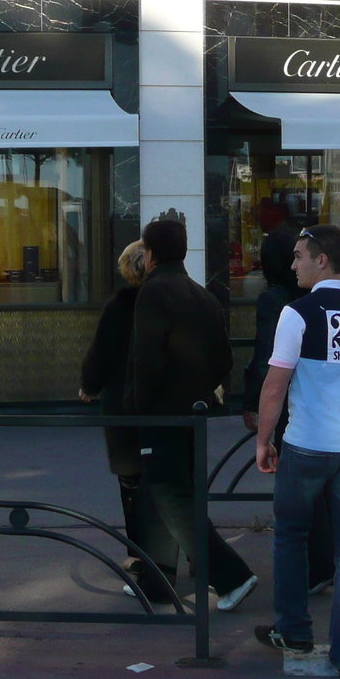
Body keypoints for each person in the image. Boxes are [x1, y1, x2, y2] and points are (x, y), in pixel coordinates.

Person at [253, 223, 340, 677]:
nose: (292, 264)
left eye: (299, 256)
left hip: (308, 445)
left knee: (291, 537)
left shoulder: (298, 313)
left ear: (322, 260)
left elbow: (275, 385)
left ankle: (293, 630)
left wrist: (264, 439)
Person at [130, 216, 258, 611]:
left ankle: (233, 576)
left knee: (172, 497)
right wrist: (198, 391)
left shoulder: (152, 293)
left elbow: (146, 361)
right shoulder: (203, 296)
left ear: (149, 255)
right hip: (194, 414)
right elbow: (223, 359)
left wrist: (136, 406)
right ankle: (157, 577)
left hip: (160, 413)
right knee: (166, 490)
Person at [80, 240, 177, 598]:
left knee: (133, 484)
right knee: (169, 484)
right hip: (167, 406)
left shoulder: (121, 306)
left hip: (124, 407)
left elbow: (100, 354)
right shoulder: (172, 300)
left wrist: (88, 385)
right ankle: (177, 557)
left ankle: (141, 559)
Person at [242, 230, 335, 596]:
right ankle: (325, 563)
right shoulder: (316, 295)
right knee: (324, 489)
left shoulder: (275, 299)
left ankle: (305, 580)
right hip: (323, 400)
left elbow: (265, 356)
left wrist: (254, 405)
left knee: (296, 492)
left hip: (289, 403)